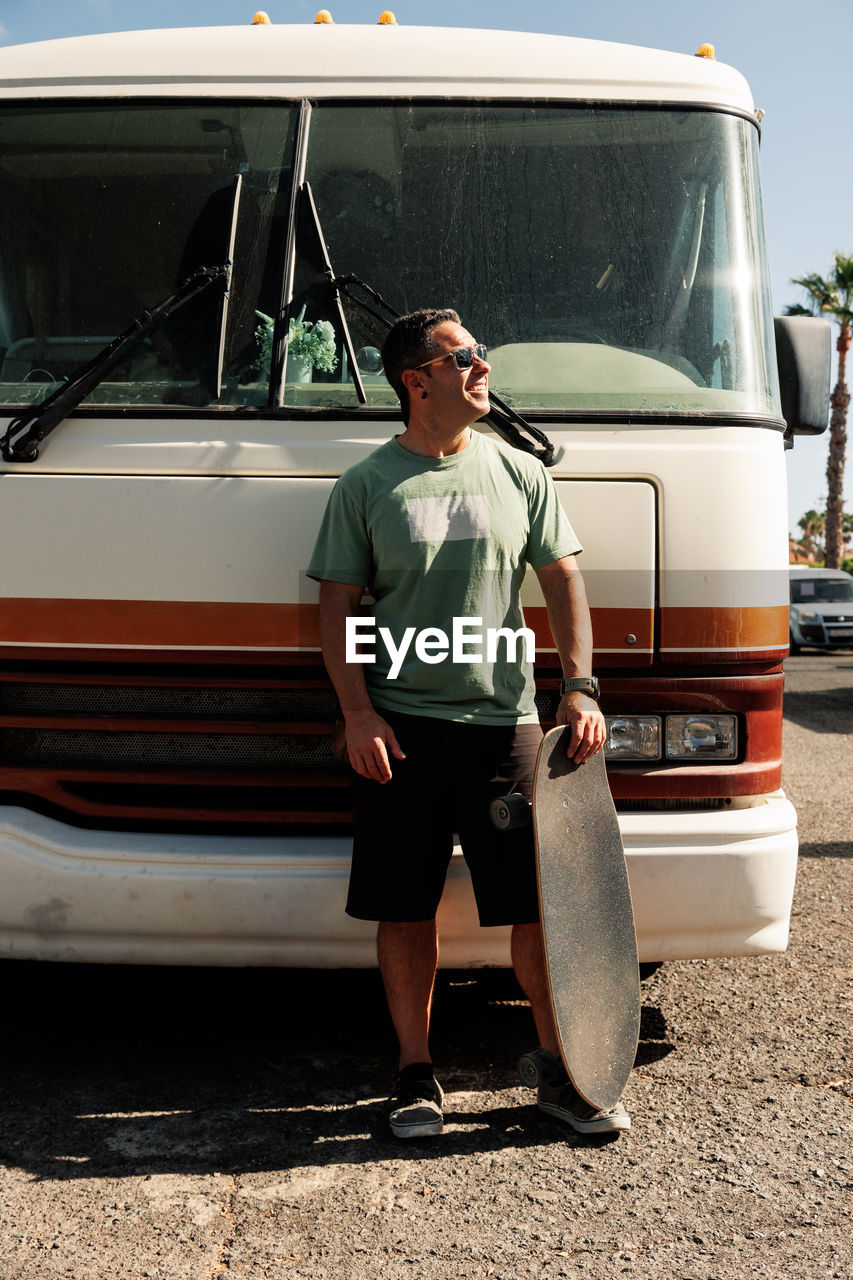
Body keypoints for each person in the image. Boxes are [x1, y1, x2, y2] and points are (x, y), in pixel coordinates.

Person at [307, 308, 630, 1138]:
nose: (484, 369)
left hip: (506, 729)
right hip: (401, 732)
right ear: (417, 381)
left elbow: (563, 583)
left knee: (537, 908)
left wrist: (580, 688)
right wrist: (356, 713)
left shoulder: (520, 473)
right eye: (466, 358)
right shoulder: (366, 485)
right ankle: (415, 1076)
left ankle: (564, 1072)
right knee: (404, 908)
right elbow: (338, 605)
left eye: (481, 354)